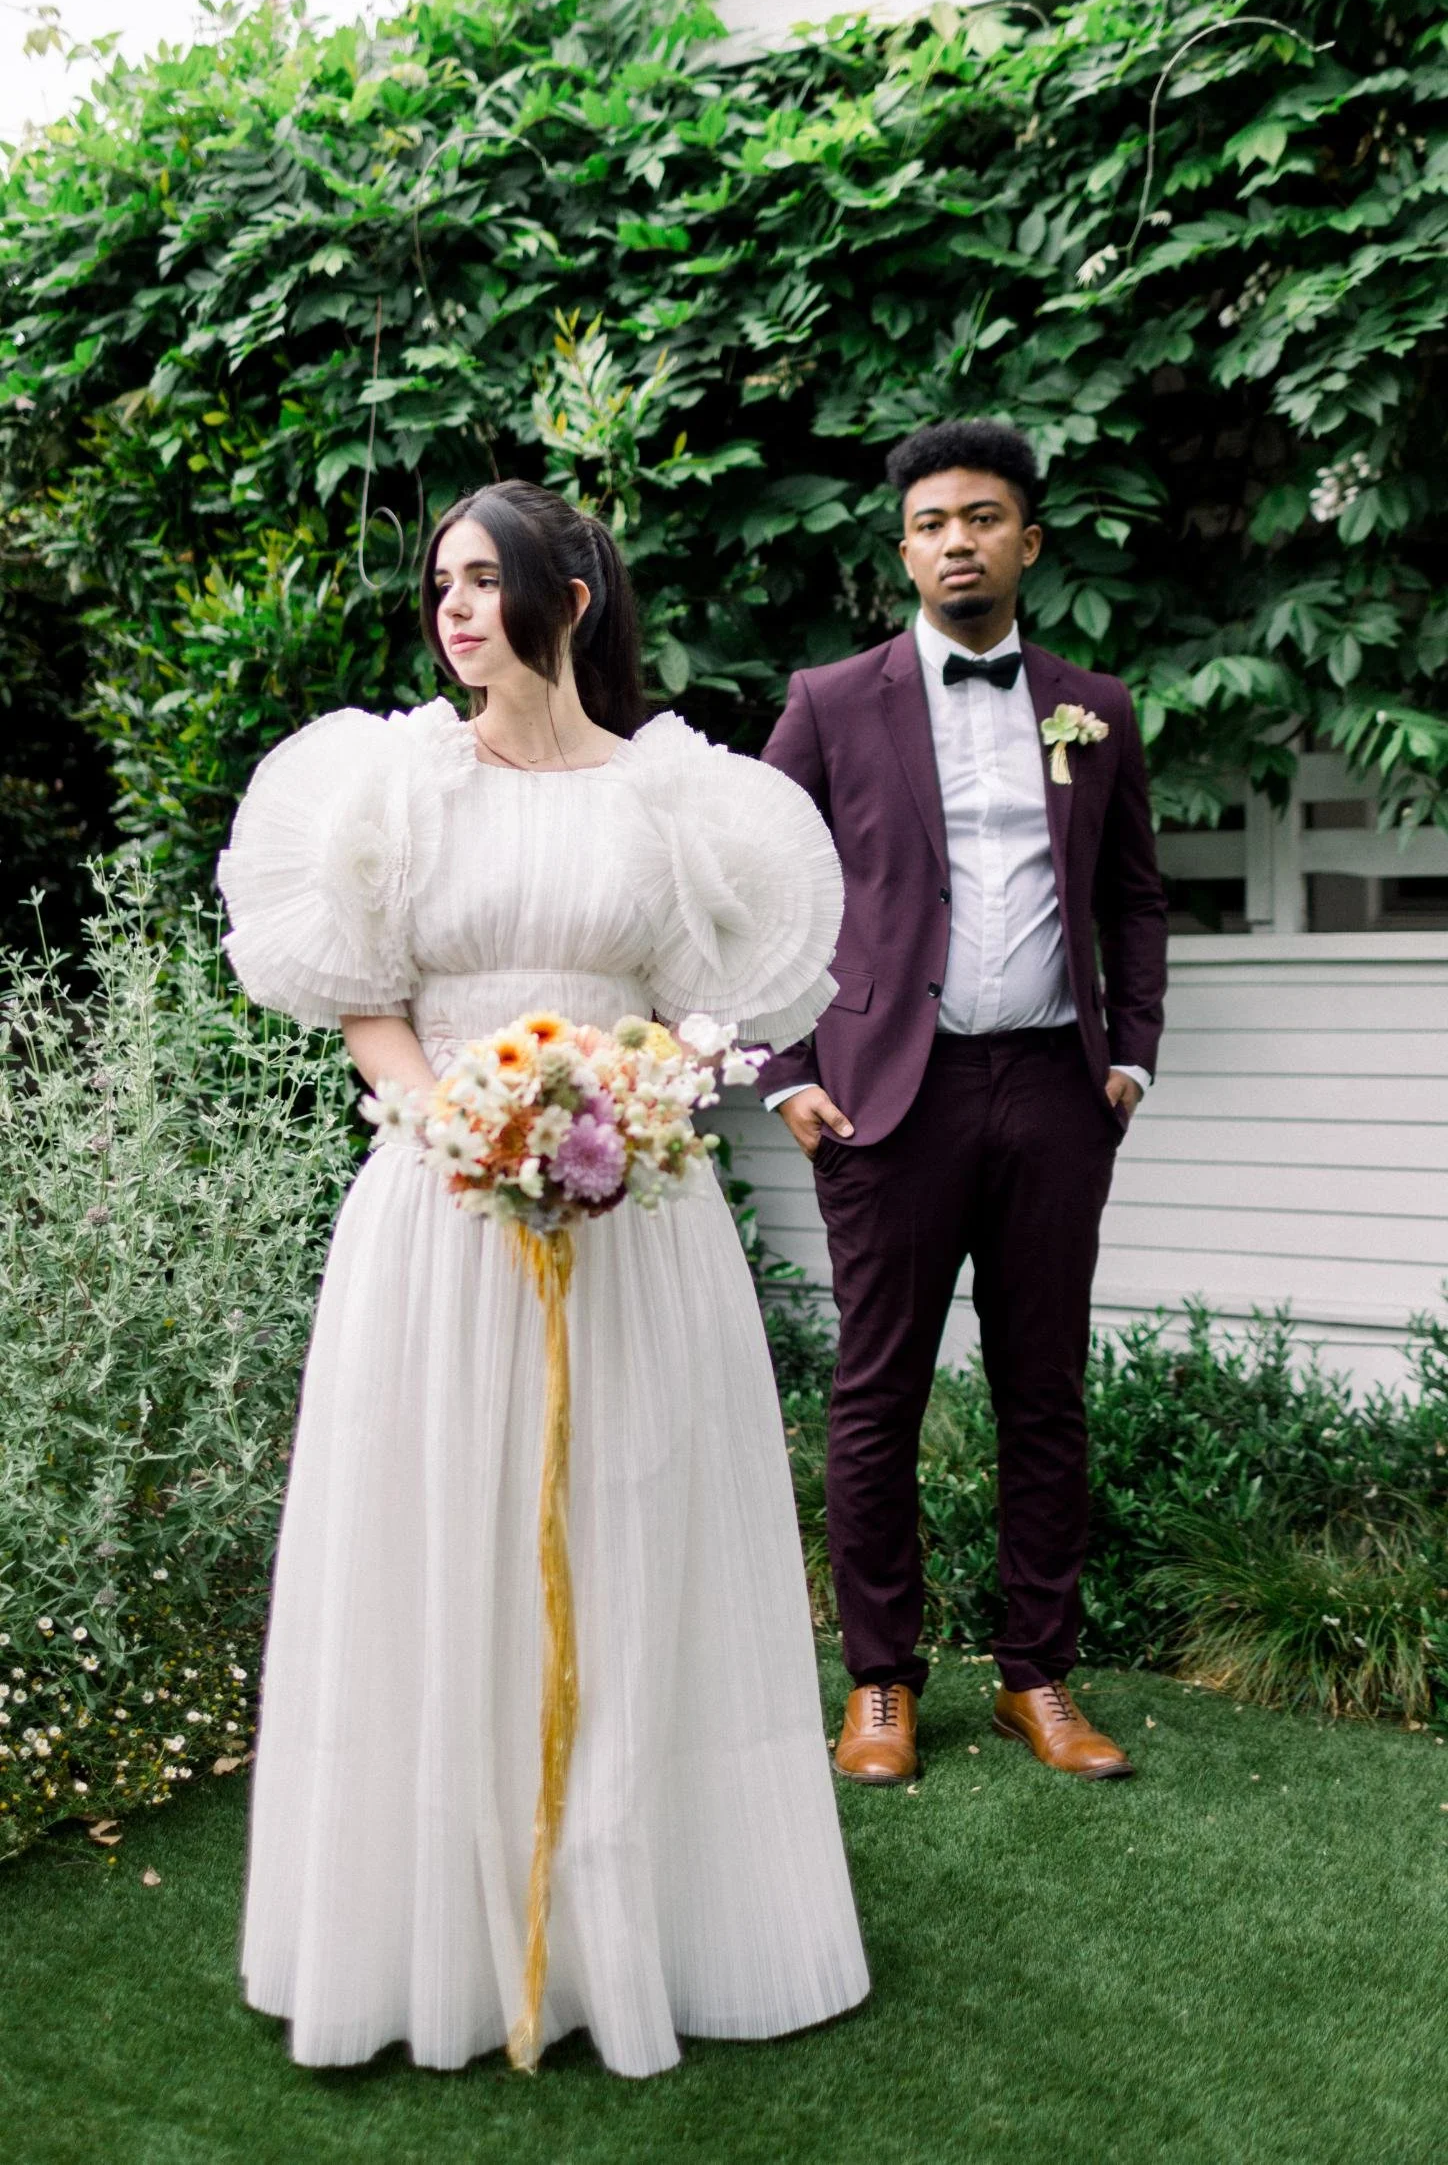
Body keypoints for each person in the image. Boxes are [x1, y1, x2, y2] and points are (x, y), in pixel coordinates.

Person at [217, 479, 868, 2078]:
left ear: (568, 602)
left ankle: (639, 1918)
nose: (451, 609)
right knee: (445, 1540)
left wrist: (635, 1111)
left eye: (483, 580)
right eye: (438, 582)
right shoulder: (392, 782)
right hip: (439, 1212)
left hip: (633, 1222)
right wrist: (455, 1120)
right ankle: (436, 1936)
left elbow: (705, 1012)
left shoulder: (674, 798)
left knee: (627, 1536)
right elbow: (364, 989)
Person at [757, 420, 1168, 1786]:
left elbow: (1133, 898)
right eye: (933, 522)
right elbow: (752, 886)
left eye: (983, 518)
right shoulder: (830, 701)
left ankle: (1038, 1677)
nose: (957, 541)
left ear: (1028, 541)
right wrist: (785, 1070)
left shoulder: (1094, 704)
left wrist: (1134, 1058)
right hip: (888, 1103)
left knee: (1044, 1392)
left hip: (1055, 1087)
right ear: (903, 548)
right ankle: (880, 1683)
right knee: (878, 1391)